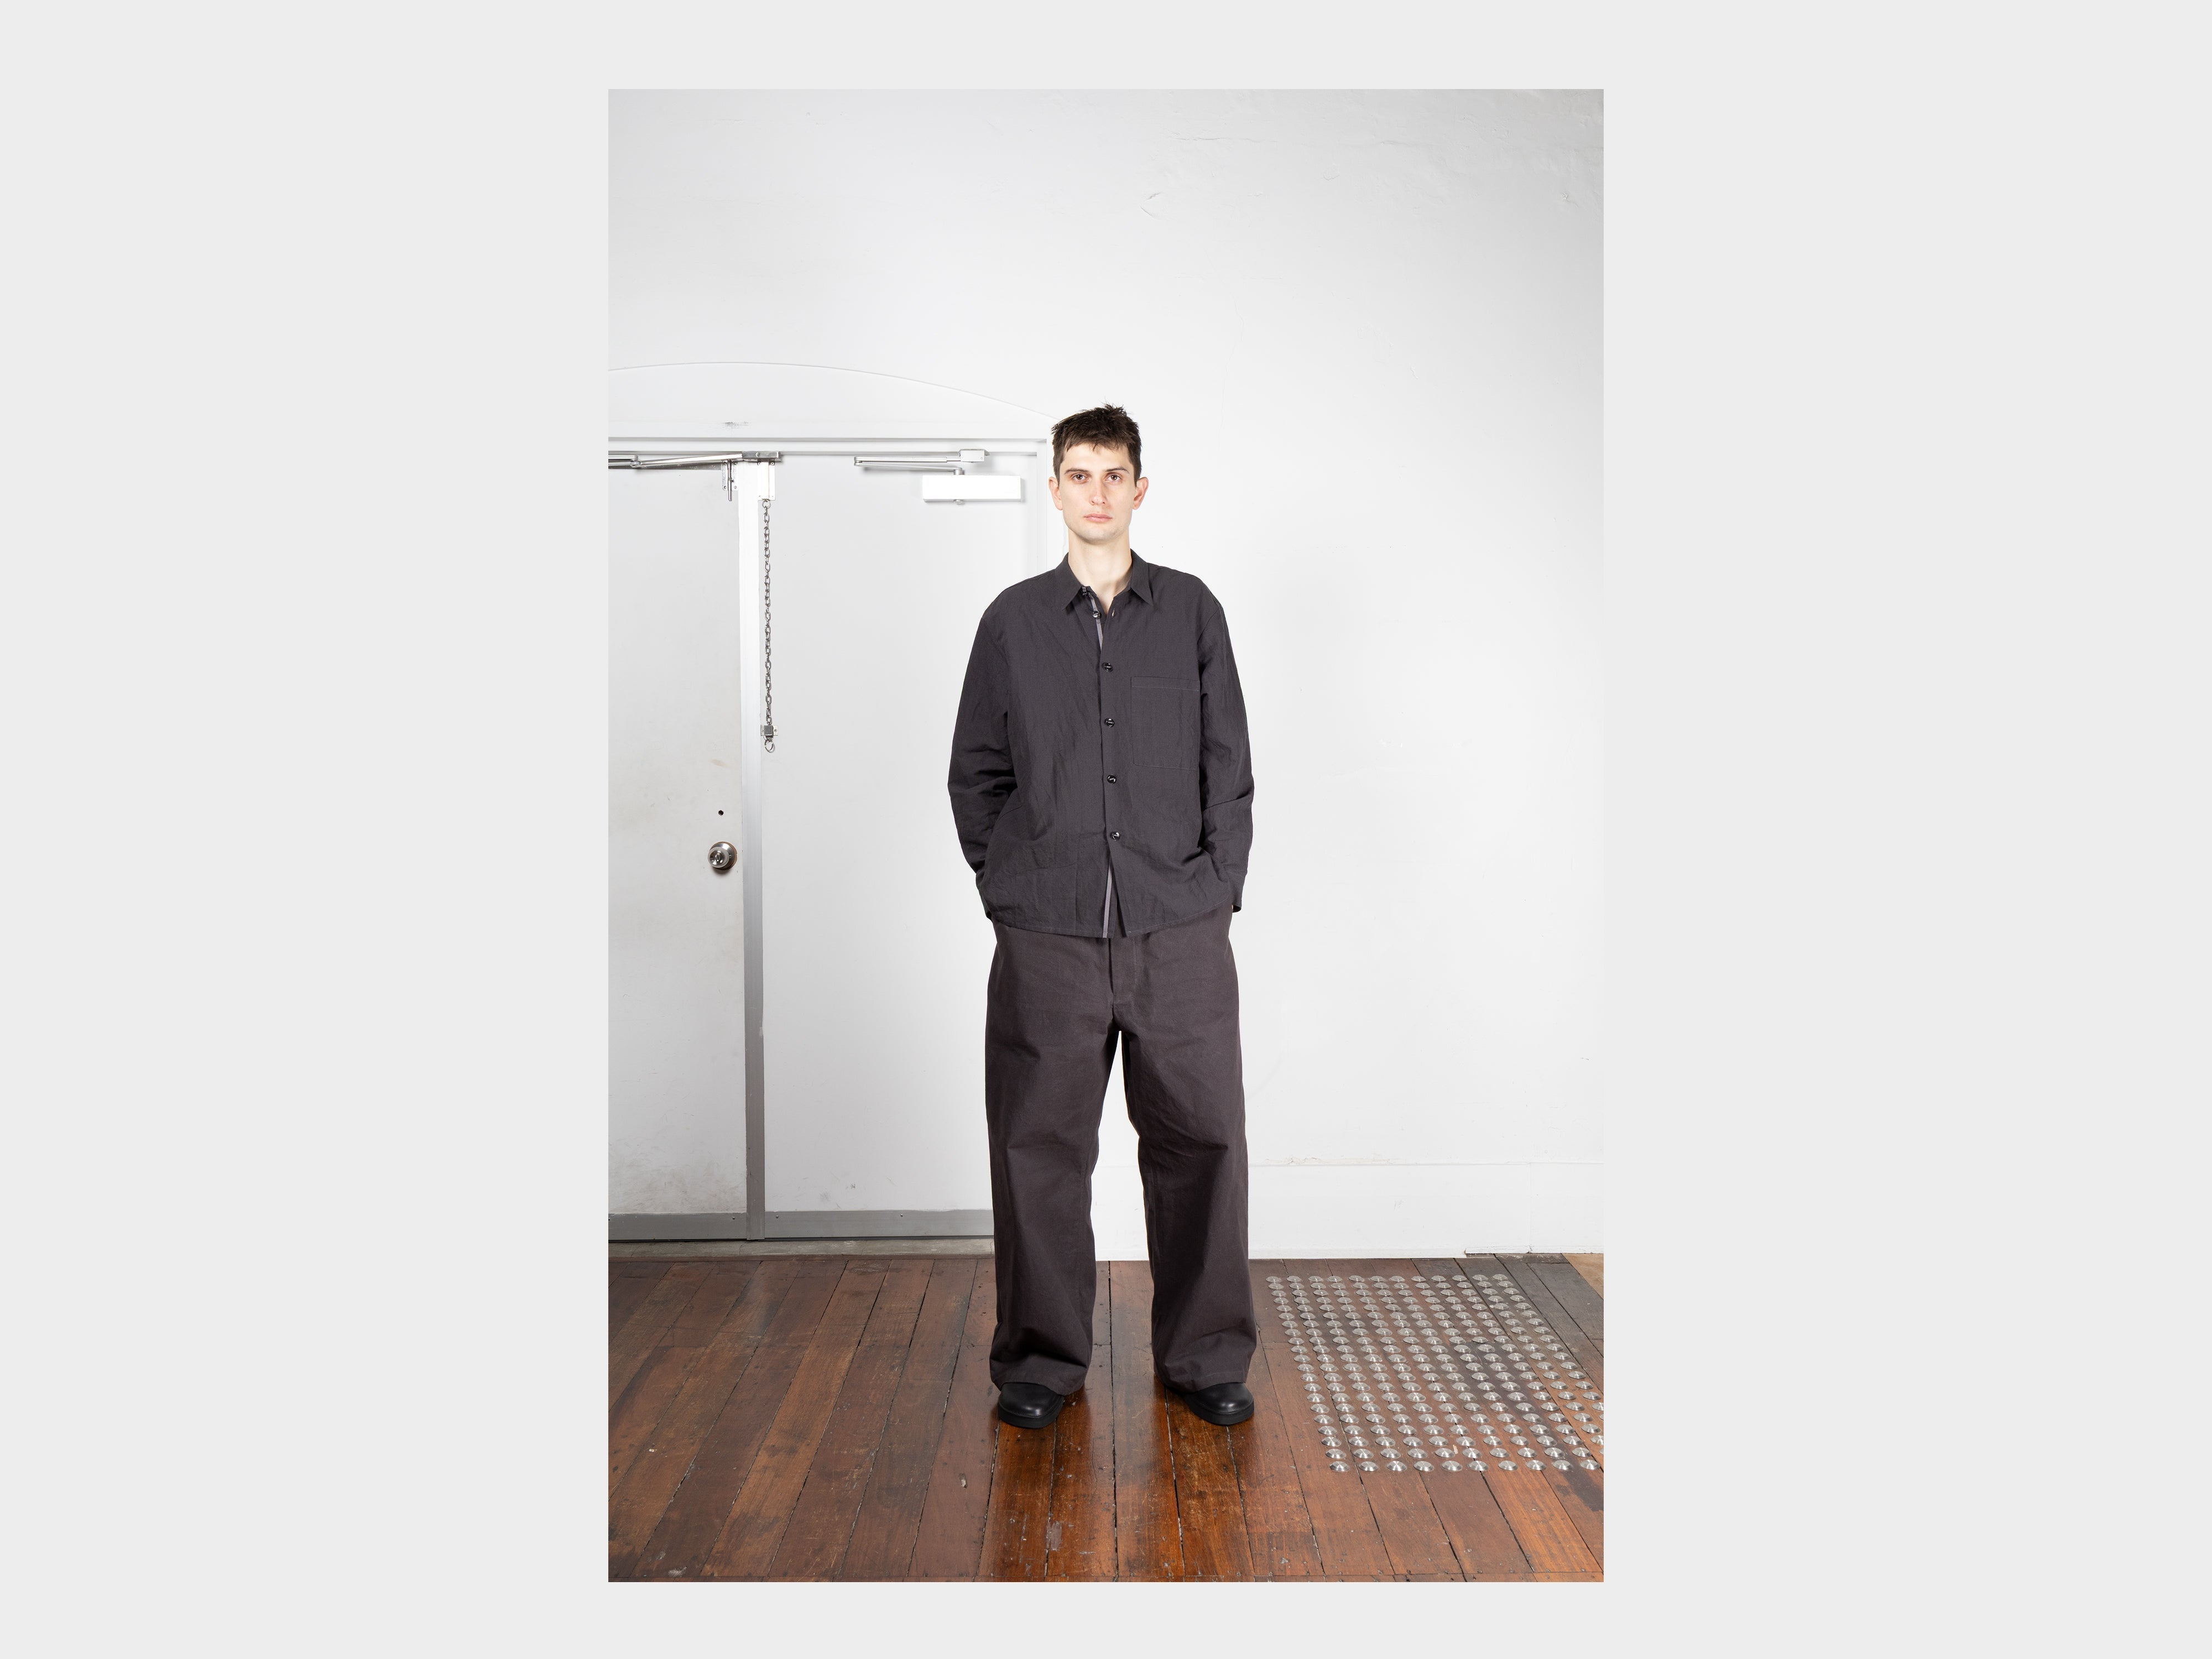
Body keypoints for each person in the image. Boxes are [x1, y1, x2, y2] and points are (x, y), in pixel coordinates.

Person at [947, 404, 1258, 1431]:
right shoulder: (1011, 623)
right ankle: (1041, 1363)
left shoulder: (1193, 612)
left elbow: (1229, 766)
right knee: (1037, 1148)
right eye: (1077, 474)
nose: (1095, 491)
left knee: (1203, 1141)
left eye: (1112, 474)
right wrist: (1011, 891)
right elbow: (976, 773)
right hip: (1050, 936)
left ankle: (1206, 1357)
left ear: (1139, 489)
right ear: (1055, 489)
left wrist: (1216, 890)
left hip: (1179, 930)